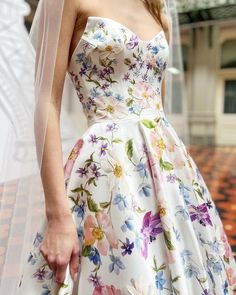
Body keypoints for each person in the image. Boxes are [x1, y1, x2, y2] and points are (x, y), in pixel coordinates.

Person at [17, 0, 236, 294]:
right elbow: (47, 101)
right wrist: (57, 216)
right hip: (106, 173)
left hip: (168, 173)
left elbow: (159, 107)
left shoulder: (157, 9)